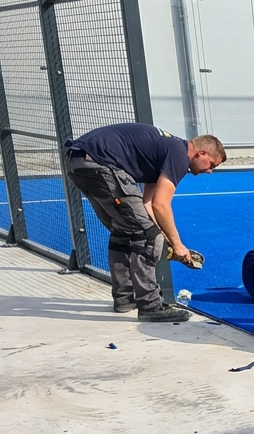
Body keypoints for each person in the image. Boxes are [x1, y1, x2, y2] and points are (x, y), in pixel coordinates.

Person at [65, 124, 224, 321]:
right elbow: (161, 205)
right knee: (148, 238)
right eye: (212, 165)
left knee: (125, 231)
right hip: (100, 163)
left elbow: (147, 205)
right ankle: (150, 306)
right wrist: (177, 245)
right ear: (201, 153)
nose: (210, 171)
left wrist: (165, 237)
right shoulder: (179, 156)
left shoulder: (166, 150)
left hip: (79, 162)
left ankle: (124, 299)